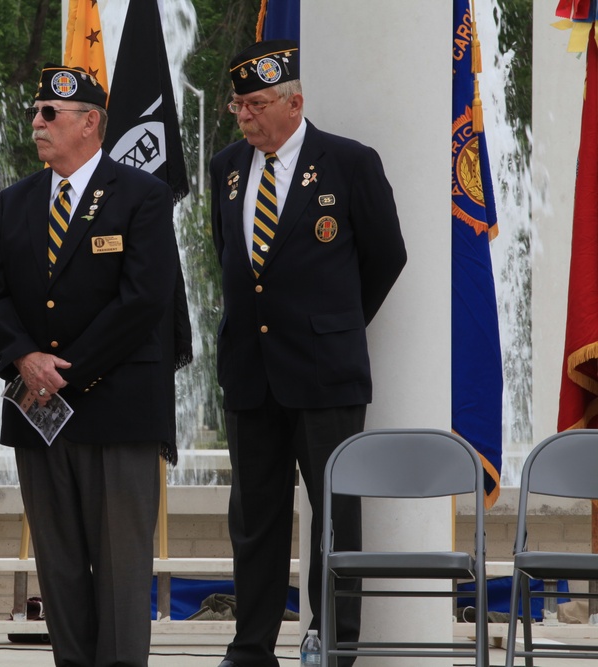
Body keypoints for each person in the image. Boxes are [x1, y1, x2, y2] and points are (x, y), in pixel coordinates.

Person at [0, 65, 187, 667]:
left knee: (121, 568)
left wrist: (62, 371)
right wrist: (24, 357)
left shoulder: (141, 195)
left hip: (116, 409)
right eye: (37, 112)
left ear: (91, 122)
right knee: (60, 565)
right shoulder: (15, 201)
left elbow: (144, 300)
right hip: (39, 413)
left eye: (51, 113)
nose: (37, 124)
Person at [210, 40, 407, 667]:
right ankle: (251, 646)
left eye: (258, 103)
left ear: (295, 102)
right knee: (256, 516)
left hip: (326, 374)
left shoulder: (348, 163)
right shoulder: (228, 168)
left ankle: (337, 642)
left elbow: (386, 256)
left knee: (334, 514)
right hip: (250, 372)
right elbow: (232, 260)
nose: (245, 115)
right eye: (239, 103)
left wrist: (336, 325)